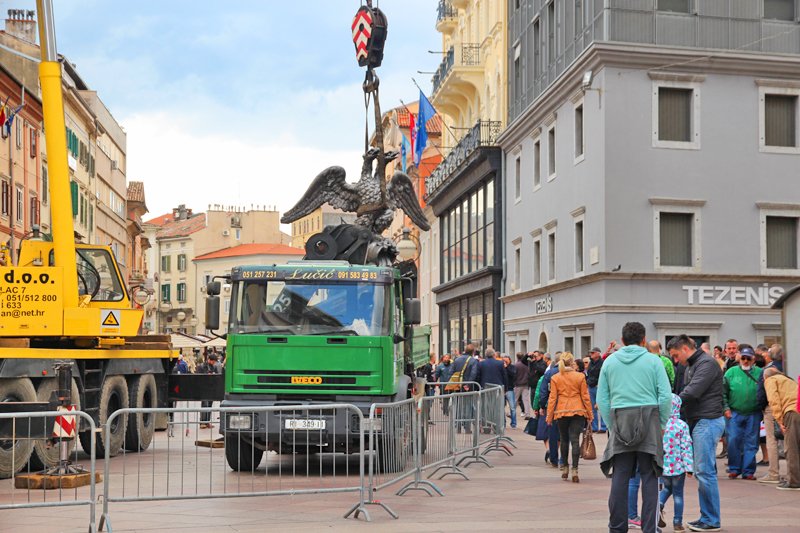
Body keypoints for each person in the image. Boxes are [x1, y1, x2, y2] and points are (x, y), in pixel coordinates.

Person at [597, 322, 672, 533]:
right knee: (650, 475)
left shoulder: (610, 362)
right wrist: (662, 424)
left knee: (620, 475)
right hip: (649, 418)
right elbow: (665, 396)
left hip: (620, 418)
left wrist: (612, 425)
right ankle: (649, 528)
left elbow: (602, 399)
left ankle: (617, 527)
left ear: (622, 340)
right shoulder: (654, 361)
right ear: (643, 340)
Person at [669, 335, 725, 533]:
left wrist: (670, 403)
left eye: (676, 355)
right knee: (703, 471)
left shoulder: (706, 364)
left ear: (685, 349)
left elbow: (692, 392)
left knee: (704, 471)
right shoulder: (693, 365)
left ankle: (711, 519)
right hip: (701, 421)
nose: (676, 360)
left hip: (707, 421)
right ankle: (707, 517)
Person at [546, 352, 592, 483]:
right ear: (572, 362)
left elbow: (552, 398)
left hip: (562, 410)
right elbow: (585, 396)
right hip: (578, 409)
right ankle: (575, 469)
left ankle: (565, 467)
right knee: (575, 440)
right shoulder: (580, 376)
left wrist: (549, 416)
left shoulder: (556, 377)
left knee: (564, 439)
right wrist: (590, 414)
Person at [722, 345, 762, 480]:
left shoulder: (760, 373)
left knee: (751, 442)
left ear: (753, 359)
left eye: (748, 358)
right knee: (733, 440)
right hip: (734, 412)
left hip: (754, 412)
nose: (745, 361)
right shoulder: (731, 373)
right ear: (739, 358)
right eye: (743, 358)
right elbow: (723, 392)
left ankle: (748, 471)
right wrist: (726, 408)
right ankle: (734, 468)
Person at [659, 394, 694, 533]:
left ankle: (659, 504)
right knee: (678, 495)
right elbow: (686, 447)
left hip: (663, 466)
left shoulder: (659, 424)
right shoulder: (682, 425)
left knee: (666, 488)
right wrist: (689, 467)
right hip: (678, 468)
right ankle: (677, 523)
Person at [764, 367, 800, 490]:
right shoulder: (789, 380)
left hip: (791, 412)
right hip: (797, 409)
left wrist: (779, 420)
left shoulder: (771, 380)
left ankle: (794, 482)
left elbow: (773, 401)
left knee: (791, 448)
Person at [757, 344, 785, 483]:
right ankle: (793, 473)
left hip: (771, 407)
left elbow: (761, 391)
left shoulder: (768, 371)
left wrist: (762, 407)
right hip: (788, 405)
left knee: (771, 440)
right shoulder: (789, 367)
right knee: (789, 440)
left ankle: (774, 473)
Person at [539, 352, 562, 468]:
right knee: (565, 433)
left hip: (553, 406)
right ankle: (564, 459)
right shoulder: (573, 373)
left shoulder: (549, 373)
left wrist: (542, 406)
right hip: (568, 407)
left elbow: (543, 391)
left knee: (553, 432)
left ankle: (554, 458)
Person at [198, 353, 221, 429]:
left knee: (210, 405)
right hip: (204, 389)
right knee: (205, 405)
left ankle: (207, 422)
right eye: (213, 361)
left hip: (211, 389)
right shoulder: (202, 366)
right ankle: (202, 422)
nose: (214, 363)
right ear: (209, 360)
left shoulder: (213, 367)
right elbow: (198, 377)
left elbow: (217, 376)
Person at [585, 347, 606, 433]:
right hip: (591, 386)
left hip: (598, 387)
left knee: (601, 407)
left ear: (598, 353)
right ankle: (594, 427)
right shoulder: (591, 363)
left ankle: (603, 427)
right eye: (591, 353)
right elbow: (588, 374)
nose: (591, 354)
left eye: (593, 353)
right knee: (592, 408)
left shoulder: (602, 363)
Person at [513, 353, 533, 420]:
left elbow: (514, 375)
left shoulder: (516, 365)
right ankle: (527, 414)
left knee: (515, 399)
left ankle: (512, 412)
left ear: (517, 357)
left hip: (518, 384)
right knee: (526, 400)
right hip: (525, 384)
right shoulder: (527, 364)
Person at [502, 354, 517, 429]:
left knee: (512, 407)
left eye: (506, 360)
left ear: (509, 360)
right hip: (502, 389)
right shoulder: (501, 367)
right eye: (504, 360)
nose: (505, 362)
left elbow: (513, 374)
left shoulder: (512, 367)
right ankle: (503, 423)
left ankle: (513, 423)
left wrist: (507, 367)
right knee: (502, 407)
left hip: (510, 389)